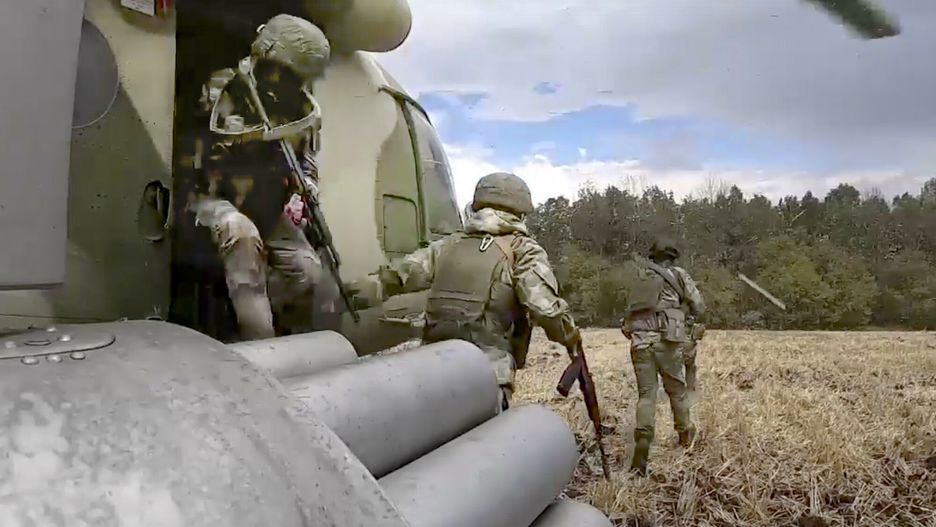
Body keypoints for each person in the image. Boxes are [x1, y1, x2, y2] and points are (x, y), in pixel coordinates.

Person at [353, 172, 581, 409]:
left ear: (477, 204)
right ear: (521, 212)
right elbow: (544, 307)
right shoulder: (523, 250)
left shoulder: (448, 245)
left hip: (427, 369)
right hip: (485, 374)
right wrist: (570, 336)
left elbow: (398, 276)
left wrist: (361, 291)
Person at [191, 14, 333, 340]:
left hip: (267, 205)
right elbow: (199, 153)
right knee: (240, 234)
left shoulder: (304, 112)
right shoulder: (221, 90)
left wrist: (305, 187)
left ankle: (248, 320)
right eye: (283, 73)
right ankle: (260, 346)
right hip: (213, 196)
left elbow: (308, 166)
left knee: (309, 272)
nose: (287, 83)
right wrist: (254, 141)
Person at [621, 236, 705, 476]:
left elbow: (630, 310)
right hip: (667, 341)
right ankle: (685, 435)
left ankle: (643, 446)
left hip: (639, 341)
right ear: (671, 257)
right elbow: (699, 305)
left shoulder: (640, 277)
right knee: (676, 389)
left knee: (646, 395)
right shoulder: (678, 274)